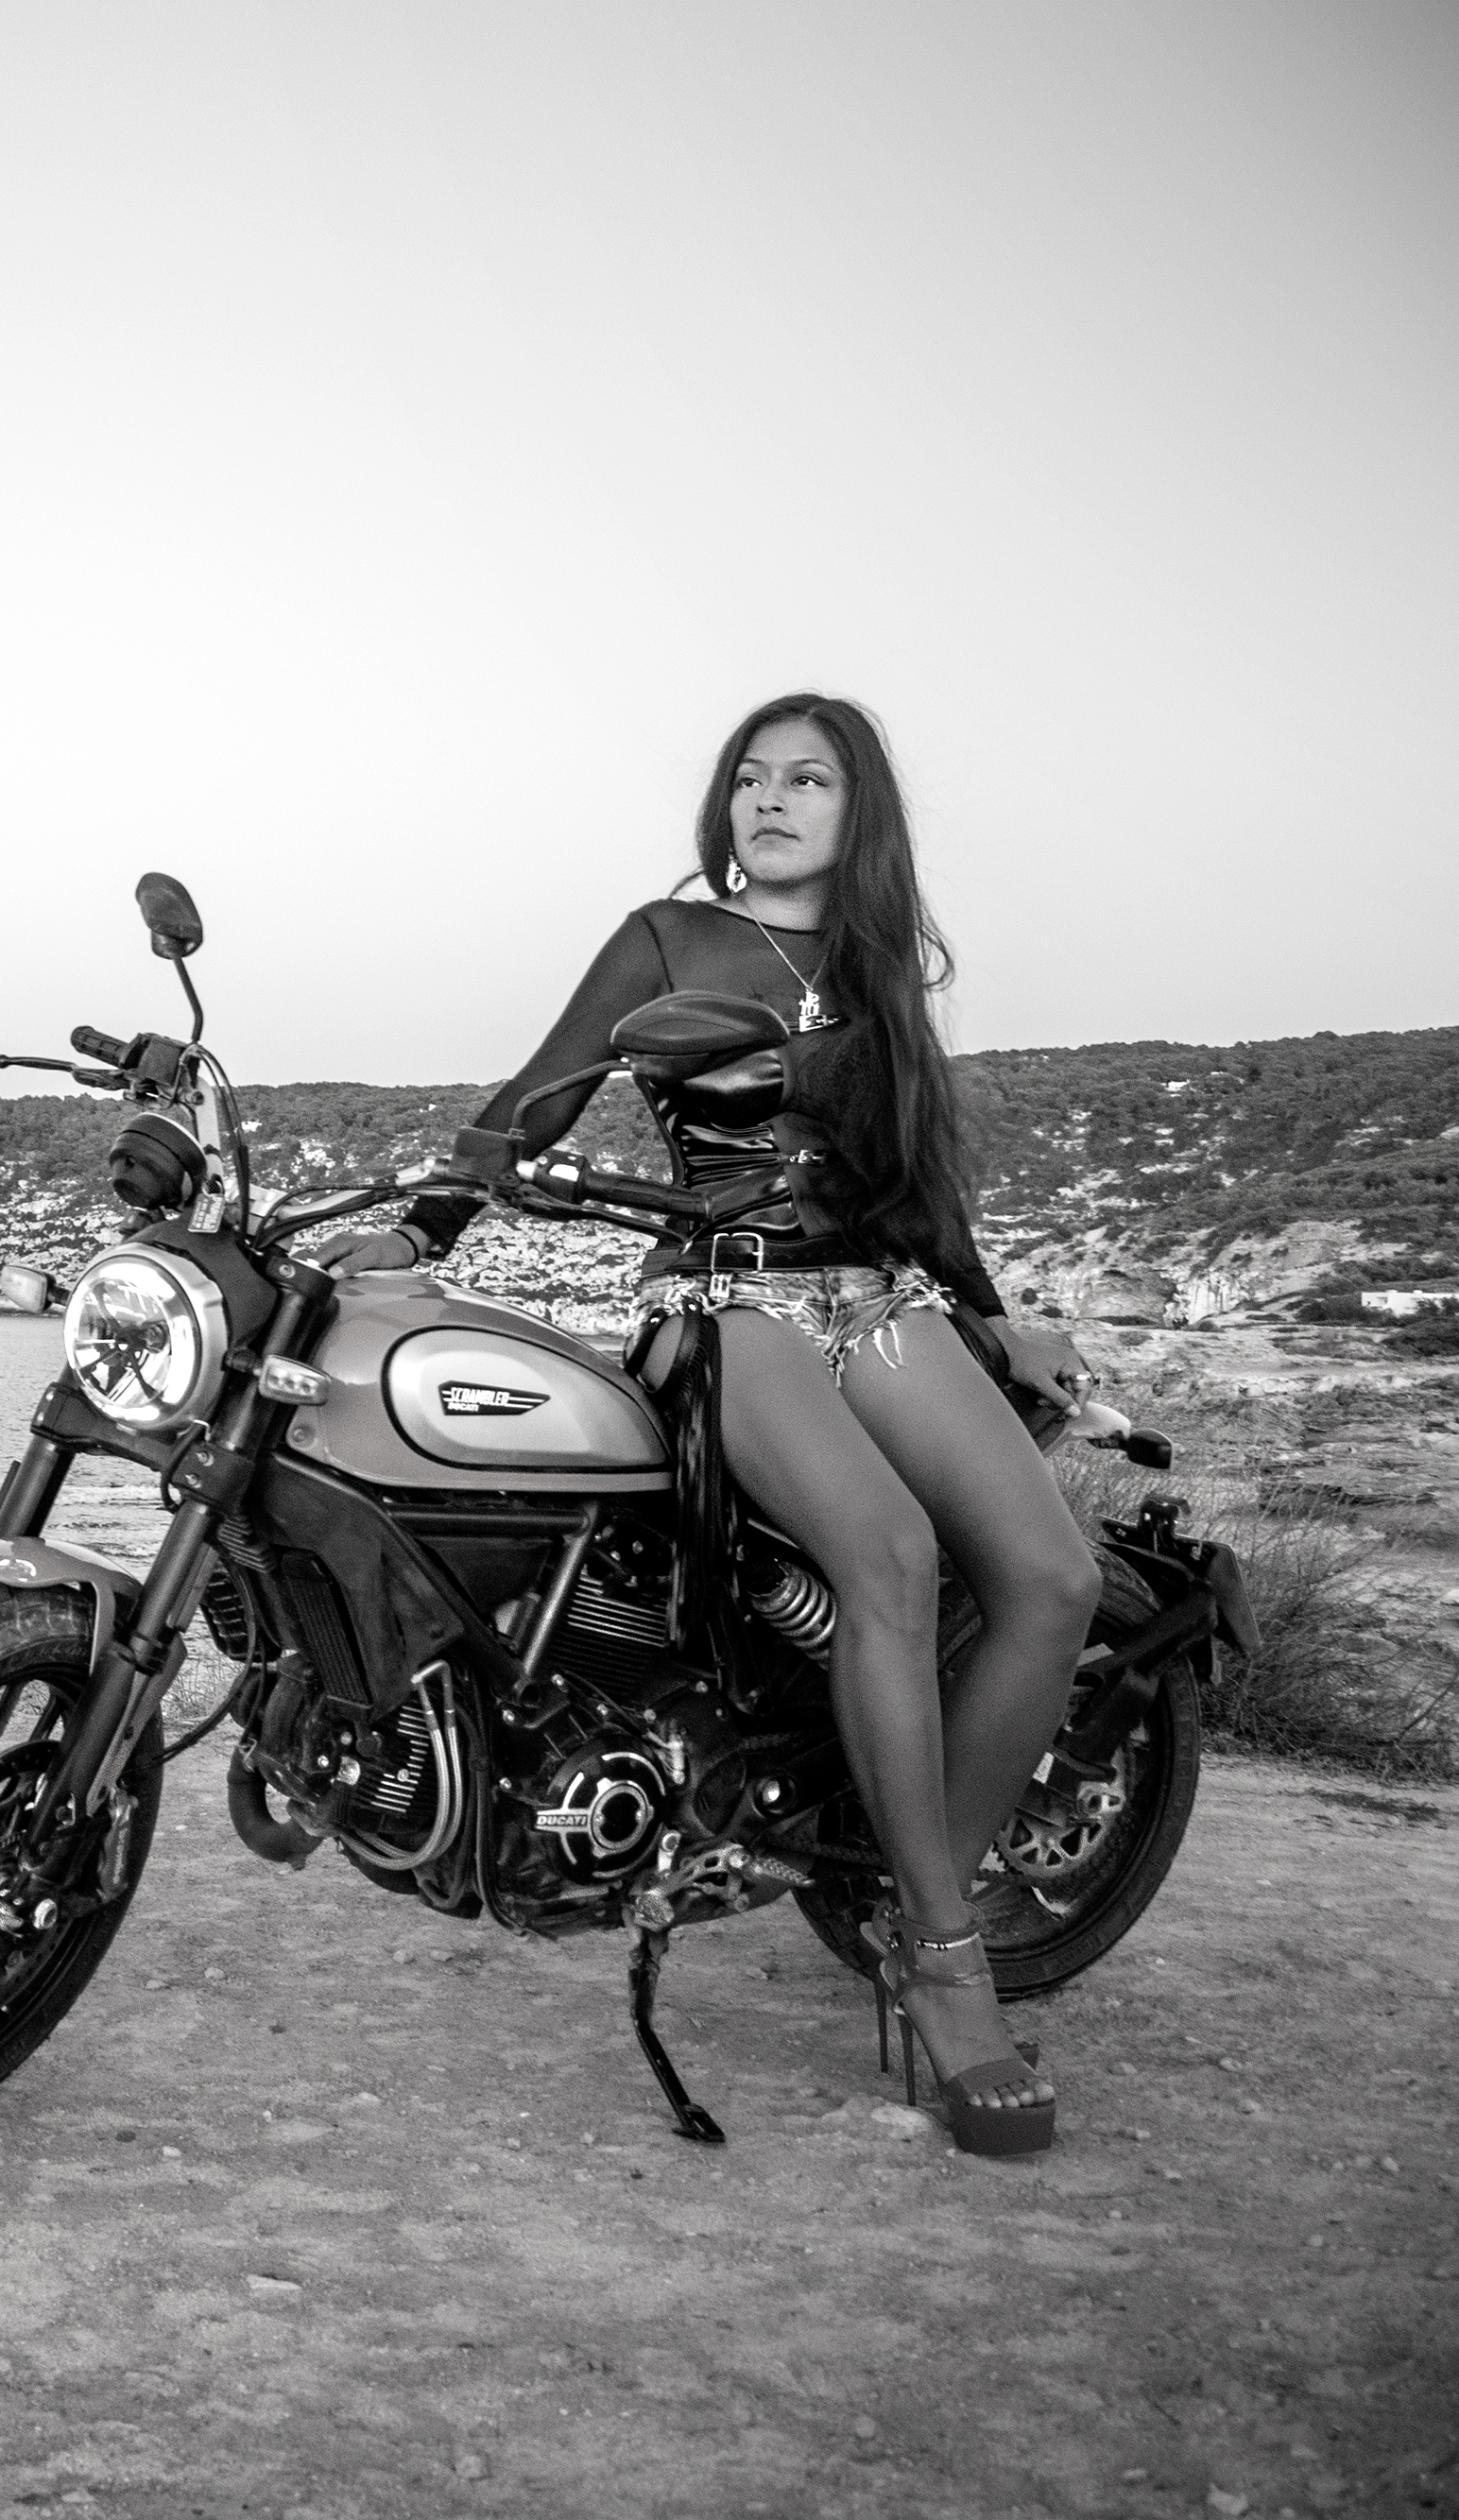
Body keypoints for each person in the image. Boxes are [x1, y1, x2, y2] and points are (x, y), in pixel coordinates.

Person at [321, 693, 1096, 2156]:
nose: (772, 801)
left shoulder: (876, 972)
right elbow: (537, 1095)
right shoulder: (669, 941)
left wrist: (996, 1324)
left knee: (1050, 1582)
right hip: (729, 1298)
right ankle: (947, 1963)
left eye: (807, 779)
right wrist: (425, 1226)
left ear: (859, 811)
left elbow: (915, 1185)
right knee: (892, 1559)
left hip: (876, 1296)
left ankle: (898, 1878)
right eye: (751, 778)